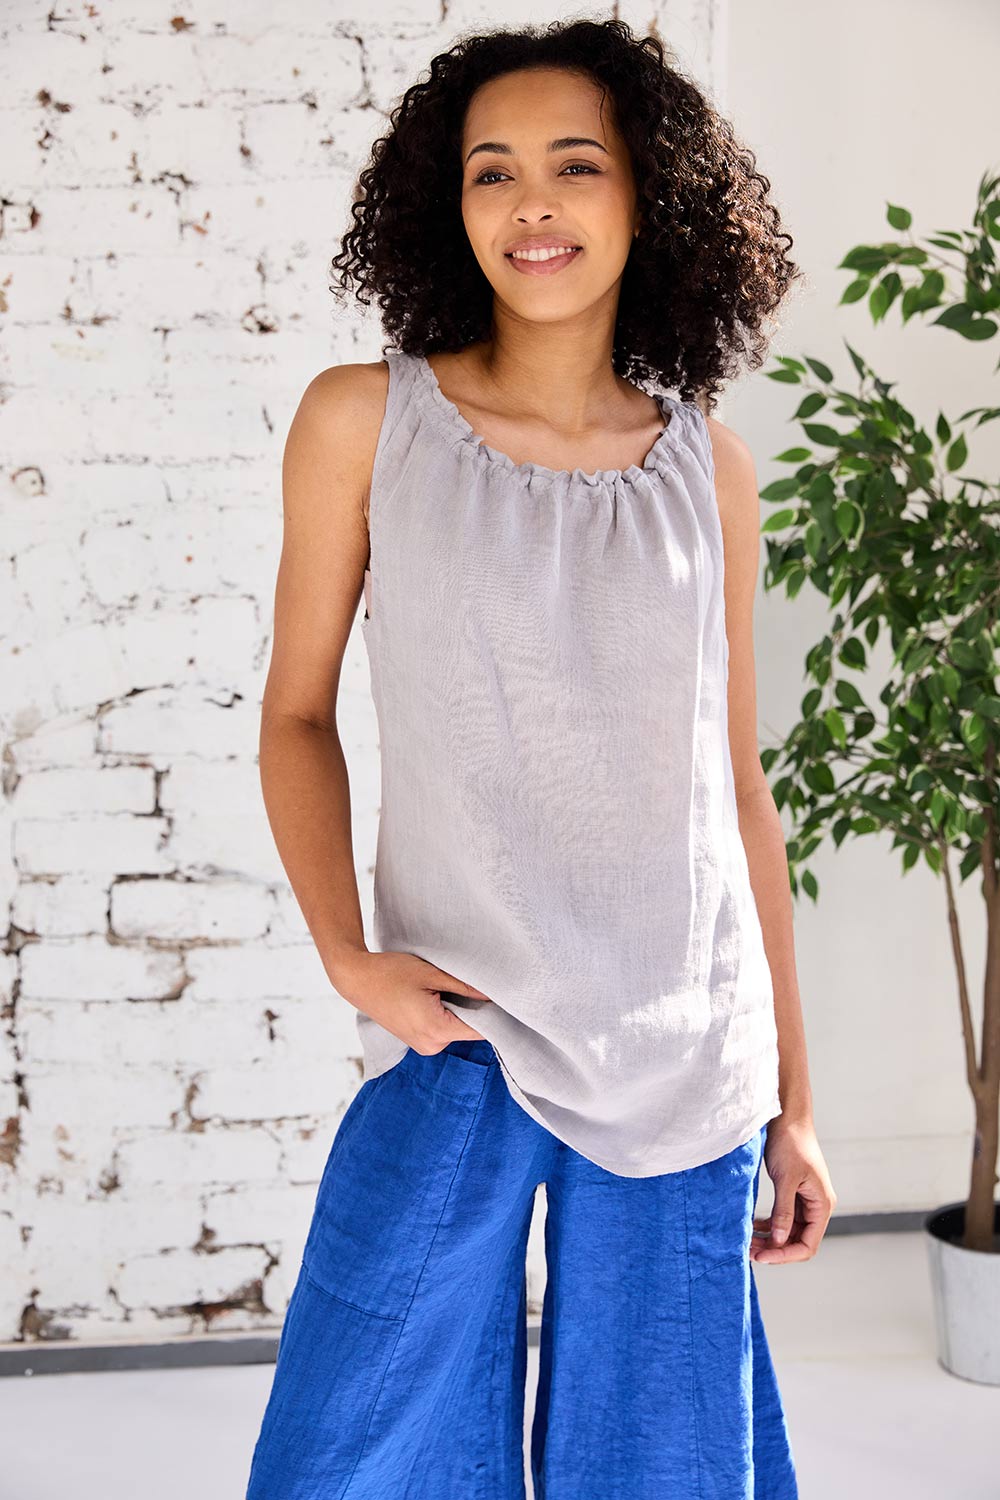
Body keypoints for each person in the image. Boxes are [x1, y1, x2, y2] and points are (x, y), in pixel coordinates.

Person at [246, 17, 837, 1499]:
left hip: (682, 1056)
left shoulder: (709, 467)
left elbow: (735, 794)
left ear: (649, 195)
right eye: (491, 171)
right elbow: (297, 714)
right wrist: (350, 959)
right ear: (447, 207)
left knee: (663, 1467)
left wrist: (797, 1103)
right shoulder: (366, 420)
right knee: (353, 1447)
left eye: (577, 165)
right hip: (464, 1028)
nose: (533, 204)